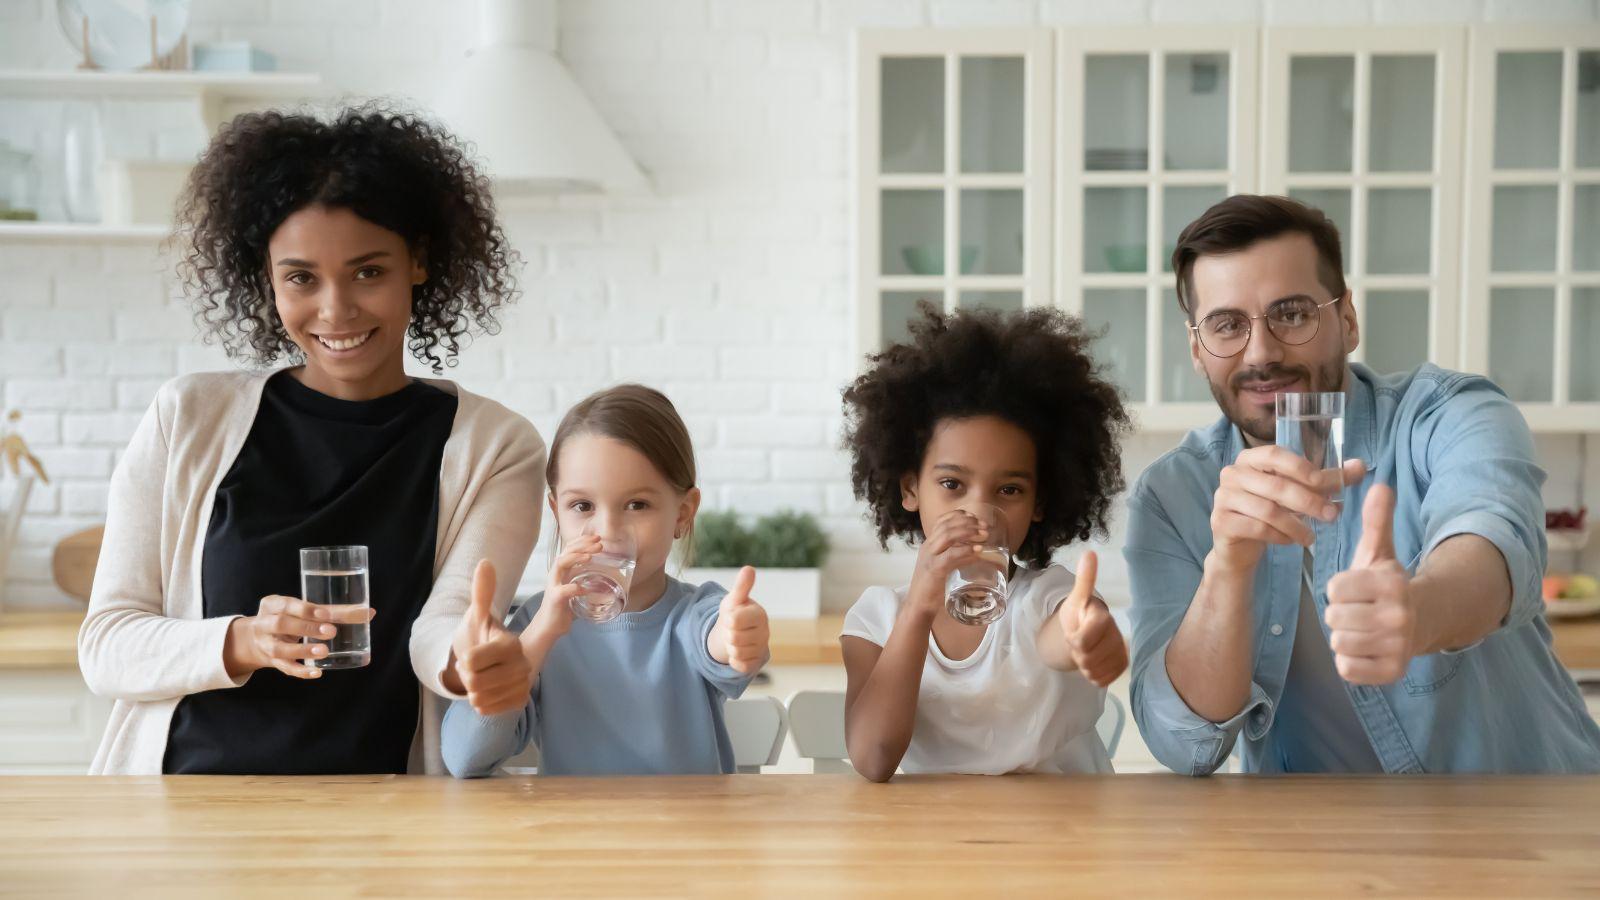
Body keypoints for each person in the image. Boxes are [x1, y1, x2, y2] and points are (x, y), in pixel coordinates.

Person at [78, 105, 543, 775]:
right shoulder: (188, 417)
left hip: (382, 819)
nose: (335, 310)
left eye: (367, 272)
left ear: (418, 260)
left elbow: (443, 629)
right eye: (301, 278)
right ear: (266, 280)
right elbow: (106, 645)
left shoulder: (495, 446)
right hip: (184, 811)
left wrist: (469, 661)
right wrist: (243, 641)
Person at [1125, 194, 1600, 774]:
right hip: (1322, 849)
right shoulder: (1171, 496)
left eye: (1293, 313)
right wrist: (1228, 564)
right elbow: (1182, 744)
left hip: (1524, 823)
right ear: (1198, 350)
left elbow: (1496, 542)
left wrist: (1418, 611)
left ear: (1347, 319)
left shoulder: (1449, 413)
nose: (1263, 352)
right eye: (1226, 326)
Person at [838, 305, 1131, 781]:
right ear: (910, 488)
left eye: (1009, 490)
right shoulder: (875, 620)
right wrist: (918, 606)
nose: (977, 511)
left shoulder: (1049, 597)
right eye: (953, 484)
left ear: (1040, 501)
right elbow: (873, 758)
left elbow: (1061, 637)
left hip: (1066, 842)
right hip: (937, 848)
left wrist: (1085, 632)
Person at [441, 384, 772, 777]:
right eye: (582, 506)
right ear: (556, 511)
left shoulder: (696, 614)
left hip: (689, 835)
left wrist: (736, 635)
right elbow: (464, 758)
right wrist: (539, 636)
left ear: (683, 514)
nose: (608, 529)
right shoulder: (535, 626)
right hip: (580, 837)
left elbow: (717, 643)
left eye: (637, 505)